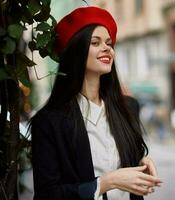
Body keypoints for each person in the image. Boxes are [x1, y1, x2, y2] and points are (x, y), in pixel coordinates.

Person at [29, 6, 162, 200]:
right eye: (95, 42)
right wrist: (107, 183)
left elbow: (123, 160)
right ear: (76, 51)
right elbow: (47, 194)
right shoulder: (49, 121)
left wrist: (141, 163)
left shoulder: (129, 107)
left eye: (109, 43)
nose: (107, 48)